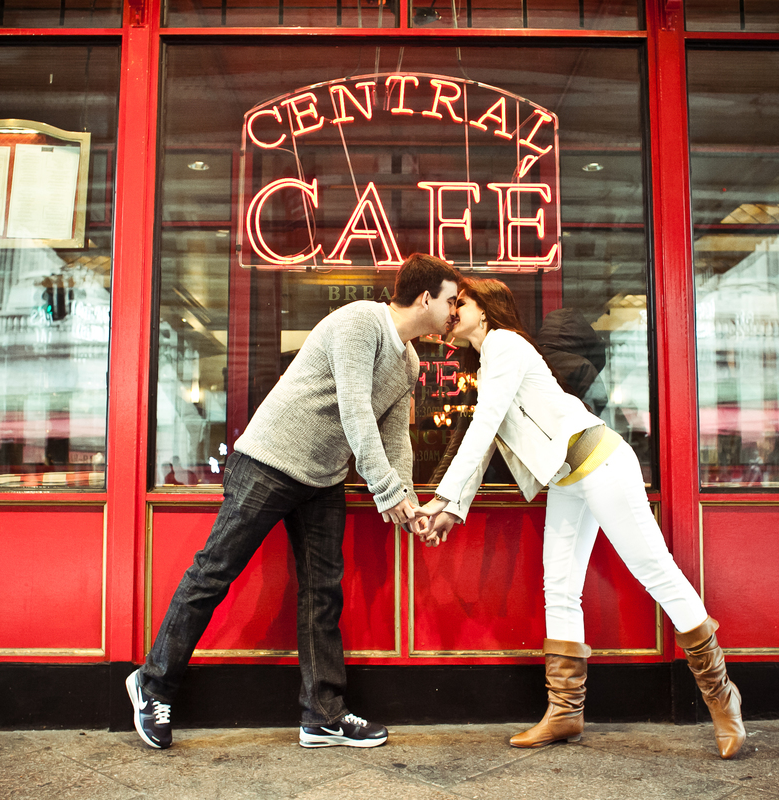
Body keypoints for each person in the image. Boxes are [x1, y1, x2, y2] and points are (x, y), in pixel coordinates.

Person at [127, 254, 462, 750]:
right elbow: (354, 412)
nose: (455, 311)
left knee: (323, 592)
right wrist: (385, 491)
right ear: (426, 297)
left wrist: (408, 502)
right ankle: (152, 684)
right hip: (269, 460)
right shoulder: (359, 322)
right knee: (212, 573)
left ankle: (323, 714)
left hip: (322, 478)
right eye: (452, 301)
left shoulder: (409, 361)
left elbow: (395, 437)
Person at [416, 278, 745, 759]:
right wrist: (452, 507)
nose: (450, 312)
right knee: (559, 589)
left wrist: (441, 500)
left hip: (603, 463)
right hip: (567, 479)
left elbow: (484, 426)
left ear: (485, 309)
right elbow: (485, 440)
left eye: (459, 303)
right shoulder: (489, 363)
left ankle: (723, 699)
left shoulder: (505, 344)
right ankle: (565, 713)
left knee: (656, 572)